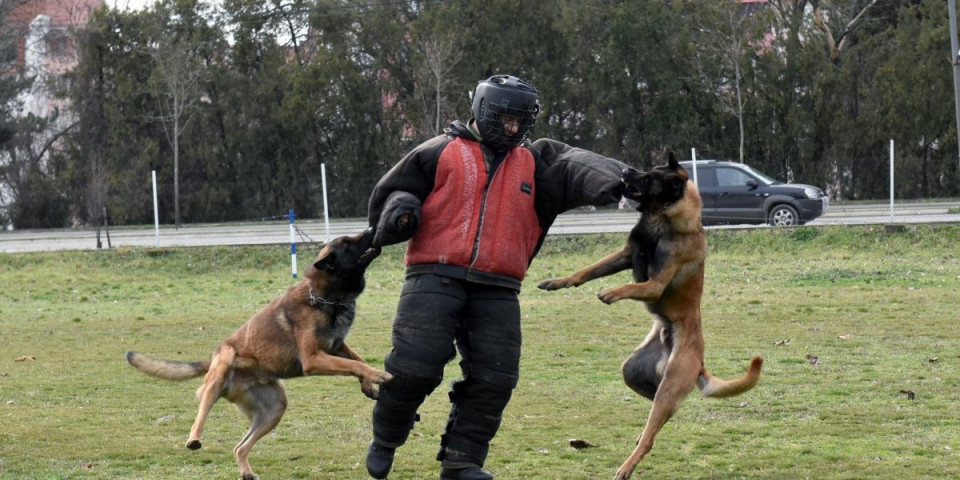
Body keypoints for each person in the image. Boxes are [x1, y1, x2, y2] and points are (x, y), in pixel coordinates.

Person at [364, 74, 627, 480]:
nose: (512, 127)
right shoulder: (437, 151)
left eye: (520, 120)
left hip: (499, 286)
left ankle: (462, 462)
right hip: (433, 274)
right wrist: (401, 213)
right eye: (505, 118)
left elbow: (578, 166)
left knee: (496, 377)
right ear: (482, 111)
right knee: (415, 366)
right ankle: (386, 438)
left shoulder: (537, 162)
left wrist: (633, 184)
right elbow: (394, 191)